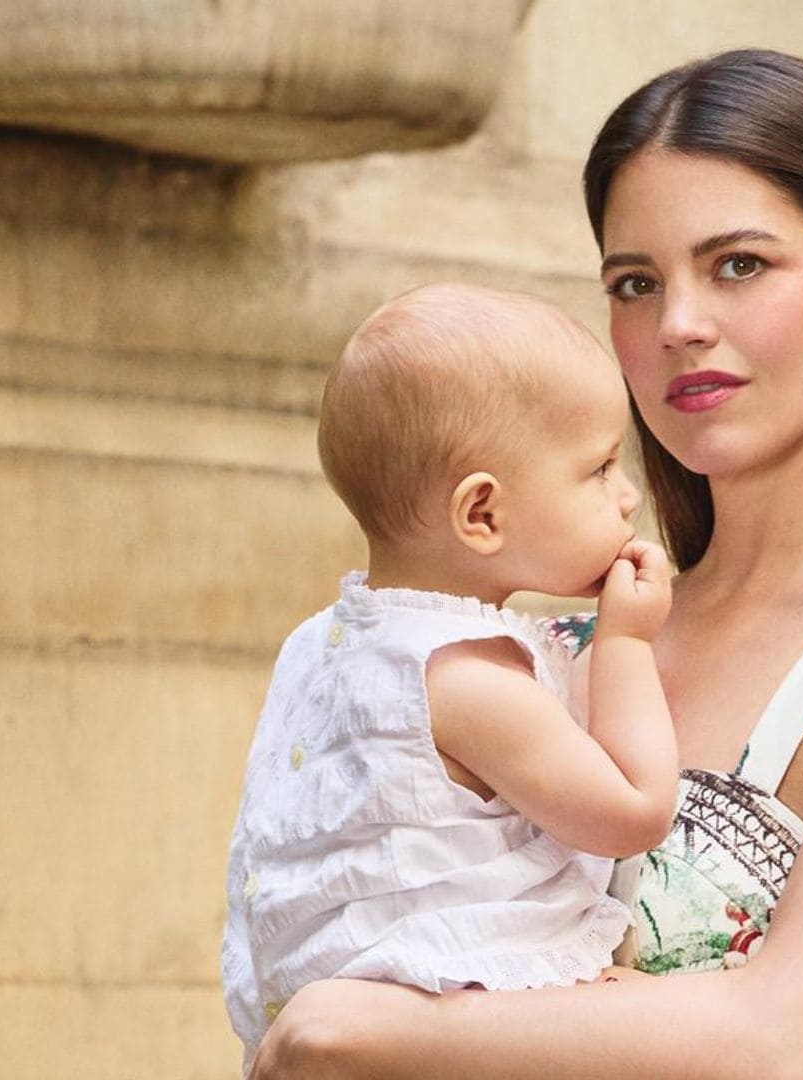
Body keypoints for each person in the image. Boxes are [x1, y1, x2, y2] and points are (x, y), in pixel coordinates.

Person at [246, 49, 803, 1080]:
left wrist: (368, 1031)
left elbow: (785, 1041)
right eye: (634, 282)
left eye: (740, 265)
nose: (678, 327)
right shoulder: (552, 634)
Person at [221, 282, 680, 1075]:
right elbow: (634, 812)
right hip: (453, 1026)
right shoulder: (467, 679)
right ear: (482, 516)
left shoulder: (322, 645)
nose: (628, 493)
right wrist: (628, 644)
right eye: (600, 468)